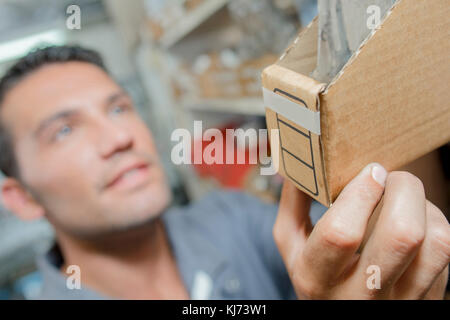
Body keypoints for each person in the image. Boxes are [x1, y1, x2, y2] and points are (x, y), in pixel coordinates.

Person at [0, 46, 448, 300]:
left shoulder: (230, 216)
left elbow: (354, 262)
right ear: (22, 197)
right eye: (63, 130)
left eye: (118, 107)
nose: (118, 137)